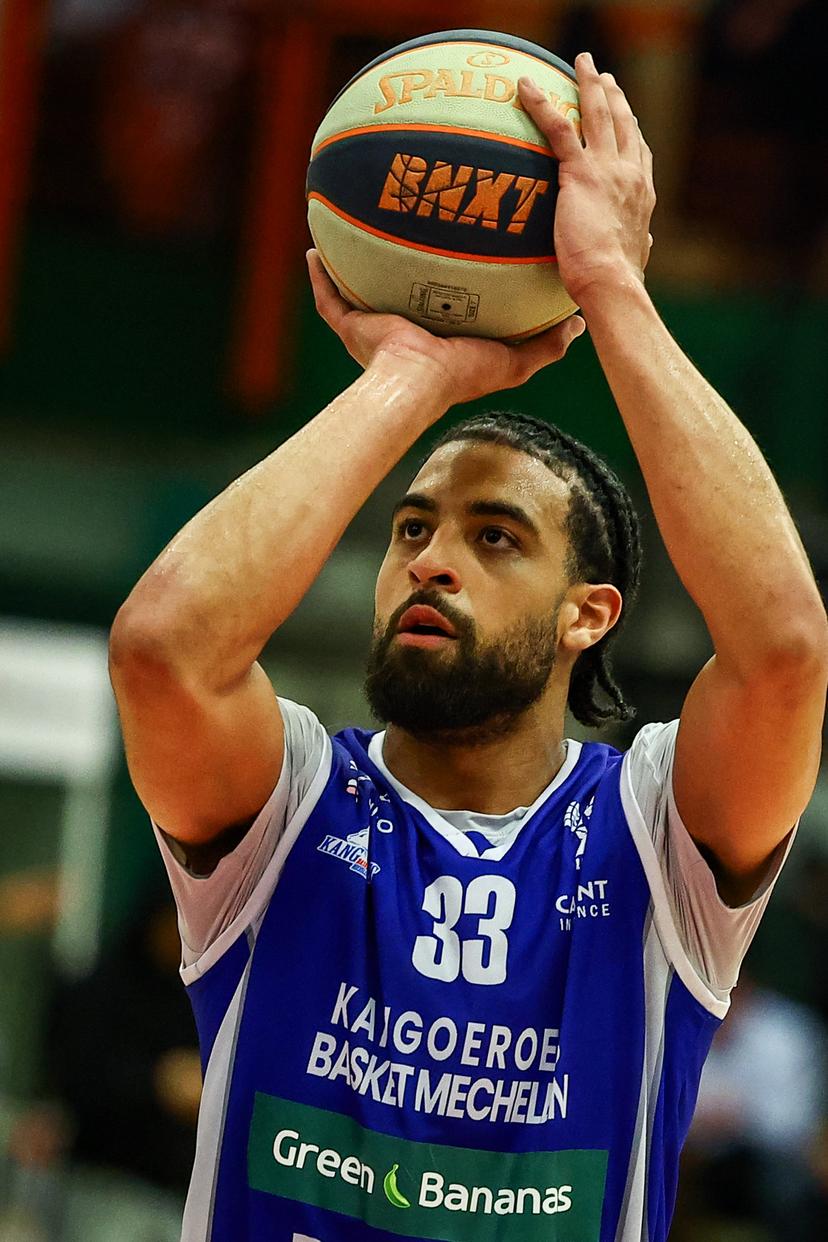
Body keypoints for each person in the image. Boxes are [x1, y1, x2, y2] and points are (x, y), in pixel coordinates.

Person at [108, 52, 828, 1242]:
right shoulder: (286, 810)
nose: (431, 560)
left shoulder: (658, 839)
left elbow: (785, 650)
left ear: (587, 613)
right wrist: (412, 377)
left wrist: (613, 289)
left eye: (496, 537)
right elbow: (162, 651)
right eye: (412, 527)